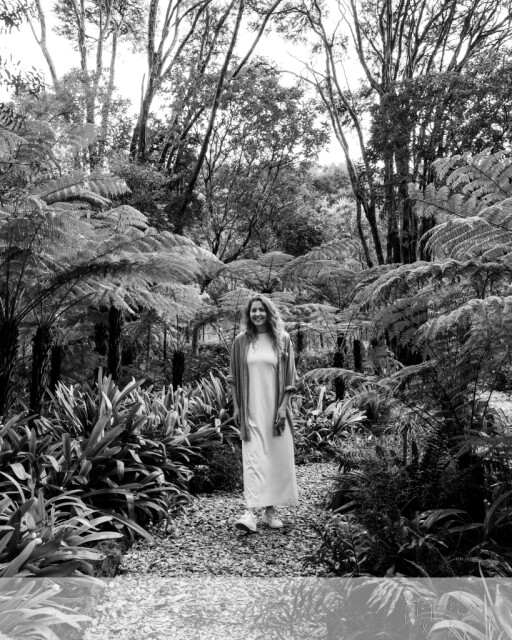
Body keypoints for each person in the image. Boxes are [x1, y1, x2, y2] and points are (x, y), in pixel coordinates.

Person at [227, 294, 298, 533]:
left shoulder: (283, 340)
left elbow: (290, 378)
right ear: (248, 315)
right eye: (253, 310)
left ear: (269, 312)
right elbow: (233, 377)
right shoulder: (241, 342)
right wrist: (237, 406)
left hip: (275, 412)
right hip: (251, 411)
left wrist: (283, 407)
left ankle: (269, 511)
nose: (257, 314)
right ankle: (250, 513)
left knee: (274, 460)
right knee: (253, 458)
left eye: (261, 310)